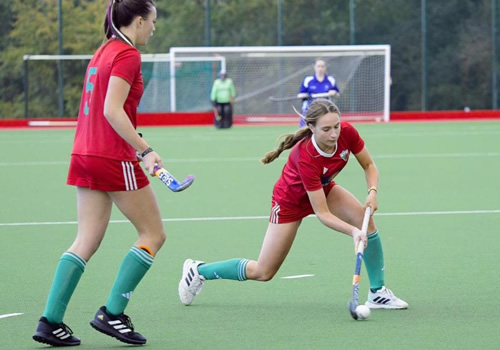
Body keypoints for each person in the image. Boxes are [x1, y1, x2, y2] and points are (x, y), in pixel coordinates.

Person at [178, 99, 408, 311]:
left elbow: (369, 165)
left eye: (336, 126)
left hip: (323, 187)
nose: (334, 134)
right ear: (311, 128)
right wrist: (353, 232)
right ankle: (198, 271)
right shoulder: (306, 156)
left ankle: (377, 293)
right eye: (326, 129)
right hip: (290, 201)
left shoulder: (346, 132)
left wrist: (372, 192)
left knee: (364, 218)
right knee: (263, 271)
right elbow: (323, 214)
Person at [33, 0, 164, 346]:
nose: (154, 27)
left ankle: (50, 322)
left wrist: (142, 145)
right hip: (112, 157)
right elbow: (111, 110)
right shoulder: (127, 54)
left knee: (86, 239)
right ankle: (113, 314)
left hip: (84, 153)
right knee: (153, 234)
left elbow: (110, 111)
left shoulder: (103, 49)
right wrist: (145, 150)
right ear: (138, 21)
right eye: (153, 21)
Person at [297, 59, 340, 128]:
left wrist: (334, 93)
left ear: (325, 67)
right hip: (309, 109)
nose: (320, 68)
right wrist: (304, 95)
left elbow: (337, 95)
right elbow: (300, 94)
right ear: (315, 67)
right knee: (304, 130)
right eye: (318, 66)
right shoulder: (308, 80)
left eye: (322, 66)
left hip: (325, 109)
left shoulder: (330, 80)